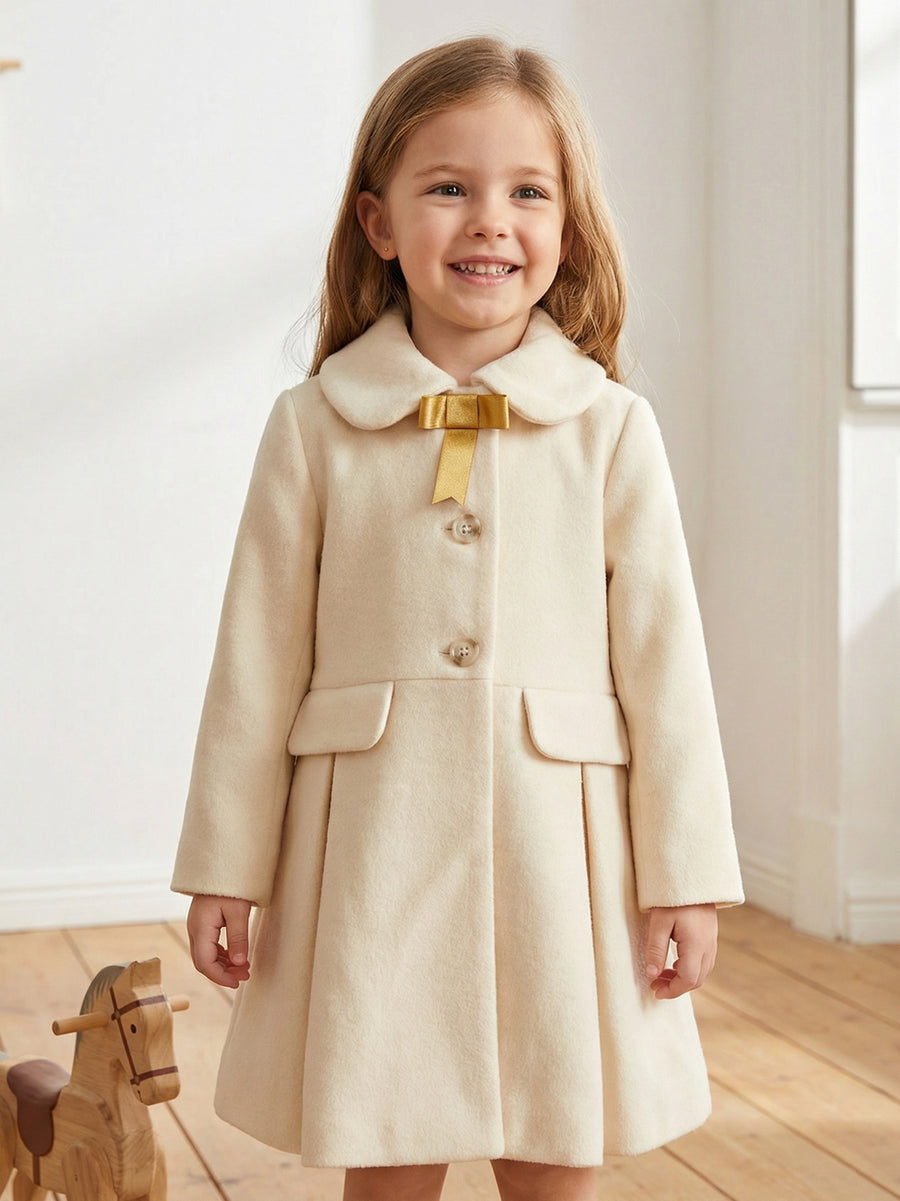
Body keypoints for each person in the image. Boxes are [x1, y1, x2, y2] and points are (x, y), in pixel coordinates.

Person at [172, 35, 743, 1201]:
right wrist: (225, 864)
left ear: (569, 229)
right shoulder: (316, 427)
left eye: (528, 192)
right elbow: (255, 662)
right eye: (448, 188)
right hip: (371, 840)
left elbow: (666, 668)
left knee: (556, 1118)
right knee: (386, 1117)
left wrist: (684, 875)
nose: (491, 222)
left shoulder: (609, 430)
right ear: (378, 222)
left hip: (560, 846)